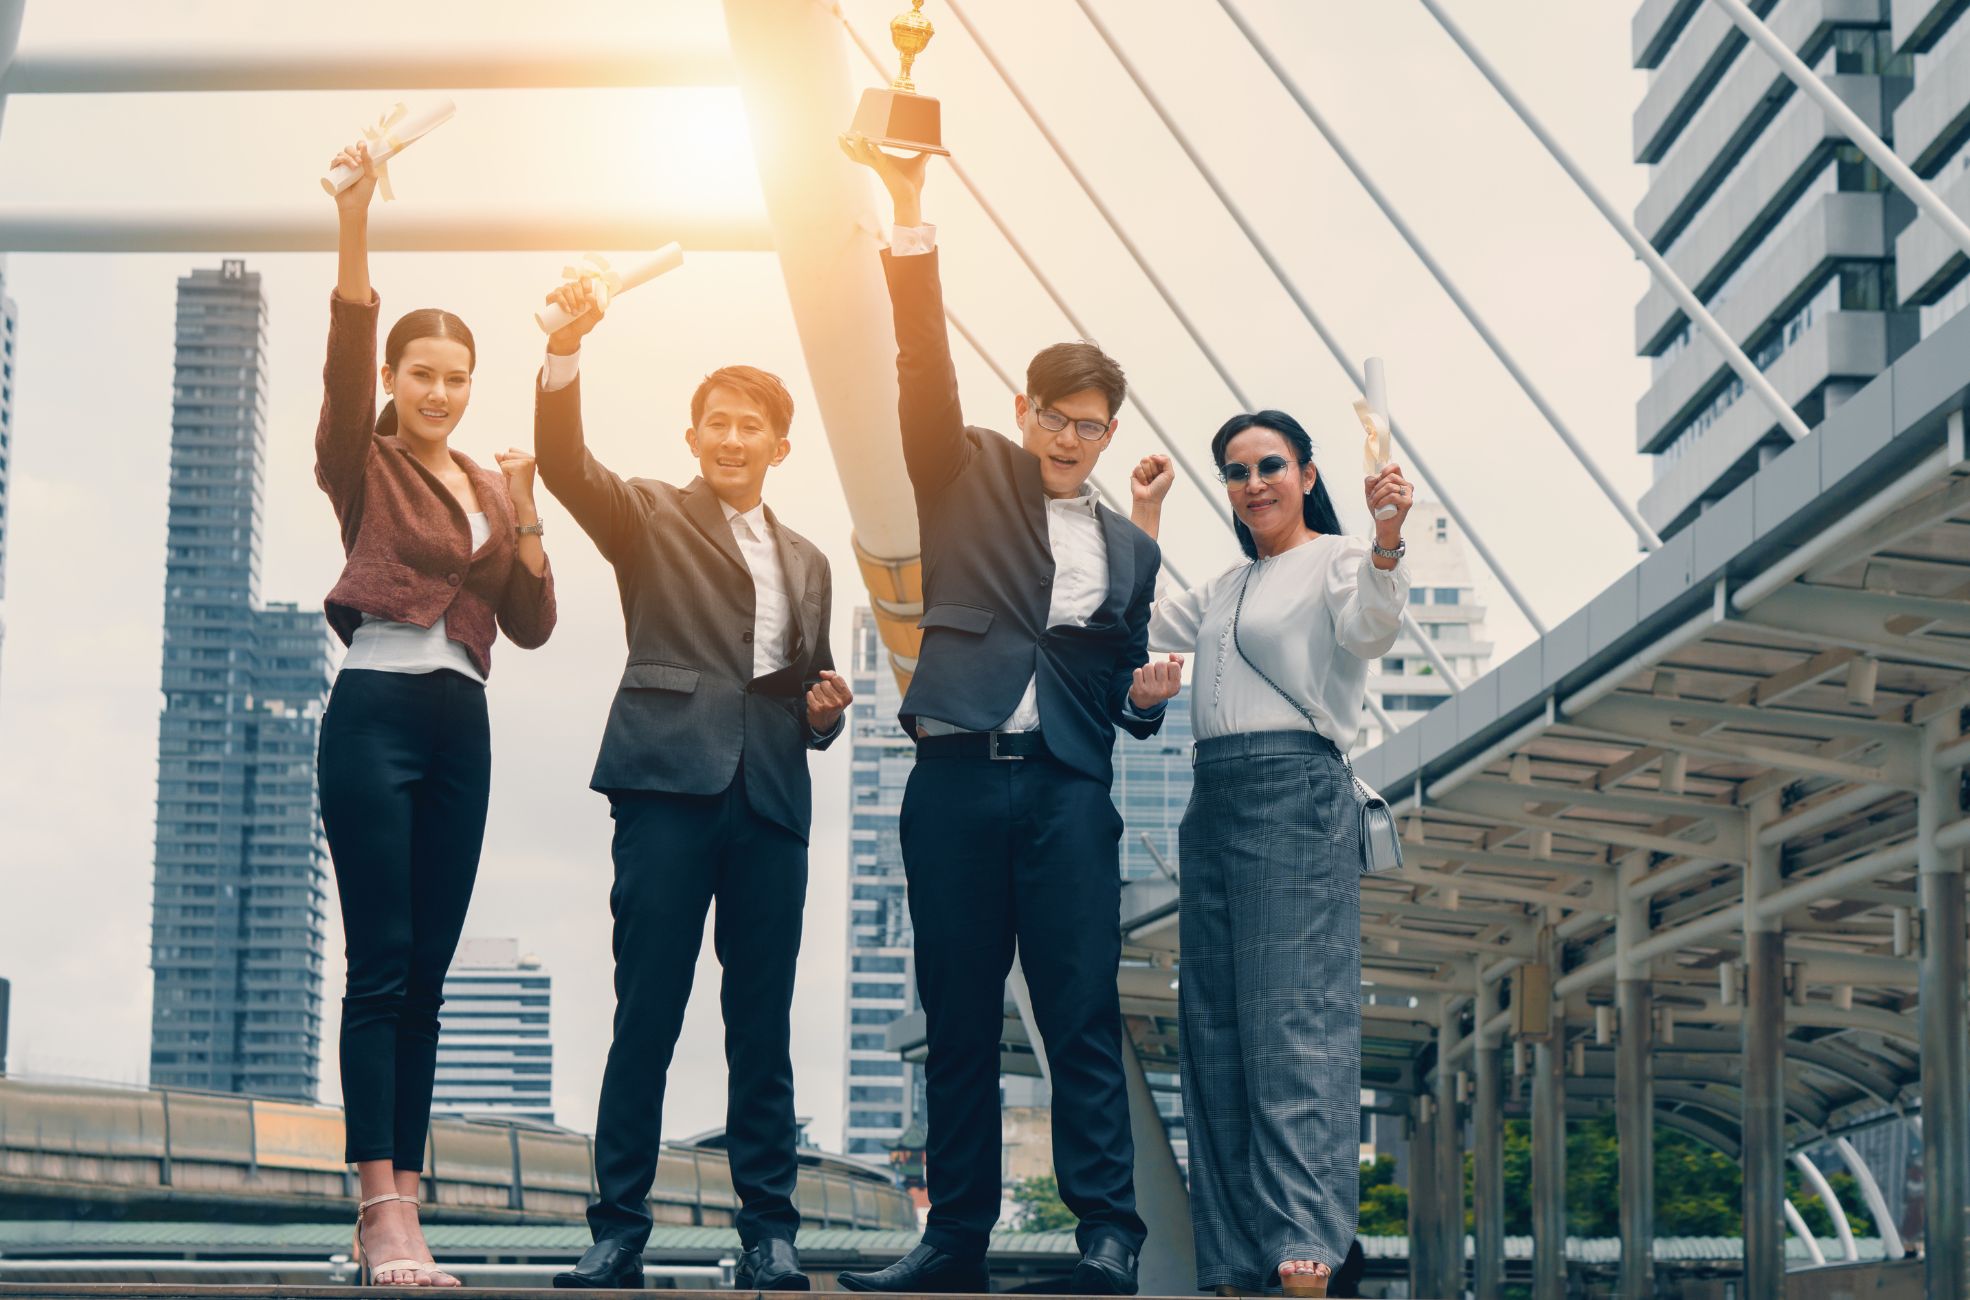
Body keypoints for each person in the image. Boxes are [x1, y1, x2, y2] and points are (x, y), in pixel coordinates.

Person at [836, 136, 1182, 1298]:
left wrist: (1139, 697)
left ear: (1107, 433)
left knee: (1079, 1014)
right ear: (1022, 409)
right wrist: (907, 210)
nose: (1064, 435)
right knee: (960, 1017)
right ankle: (955, 1240)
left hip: (1071, 795)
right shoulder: (965, 468)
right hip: (956, 777)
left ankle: (1106, 1239)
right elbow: (919, 365)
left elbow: (1114, 681)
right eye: (1050, 413)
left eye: (1086, 423)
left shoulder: (1129, 548)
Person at [531, 278, 850, 1293]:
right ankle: (618, 1229)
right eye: (715, 422)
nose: (730, 437)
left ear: (778, 446)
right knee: (648, 1012)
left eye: (749, 425)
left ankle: (770, 1233)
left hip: (770, 799)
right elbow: (564, 465)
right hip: (667, 785)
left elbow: (808, 684)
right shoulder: (650, 516)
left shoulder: (806, 559)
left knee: (761, 1024)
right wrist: (565, 354)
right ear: (692, 435)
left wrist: (824, 712)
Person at [314, 141, 557, 1288]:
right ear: (396, 380)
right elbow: (348, 340)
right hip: (374, 708)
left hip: (464, 721)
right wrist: (357, 221)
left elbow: (535, 619)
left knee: (431, 977)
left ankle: (406, 1202)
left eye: (456, 375)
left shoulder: (492, 488)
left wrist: (534, 513)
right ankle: (378, 1208)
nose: (439, 390)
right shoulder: (357, 460)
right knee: (383, 960)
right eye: (421, 373)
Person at [1128, 415, 1412, 1298]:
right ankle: (1235, 1255)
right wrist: (1144, 513)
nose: (1254, 482)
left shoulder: (1337, 560)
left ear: (1307, 472)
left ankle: (1305, 1244)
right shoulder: (1223, 586)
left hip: (1296, 791)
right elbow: (1128, 618)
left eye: (1271, 466)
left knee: (1296, 1022)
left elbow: (1370, 628)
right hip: (1212, 798)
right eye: (1237, 471)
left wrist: (1390, 539)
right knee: (1212, 1031)